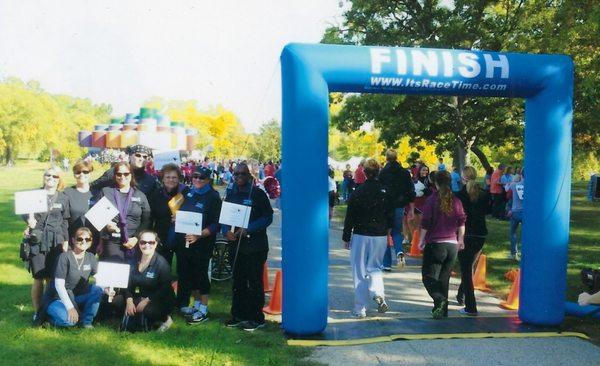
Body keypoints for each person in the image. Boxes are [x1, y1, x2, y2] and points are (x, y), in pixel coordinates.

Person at [222, 162, 274, 331]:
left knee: (254, 282)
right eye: (235, 174)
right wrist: (225, 231)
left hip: (255, 246)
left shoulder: (258, 194)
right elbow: (224, 218)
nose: (238, 177)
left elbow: (268, 217)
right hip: (235, 245)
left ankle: (256, 318)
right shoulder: (231, 194)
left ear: (250, 176)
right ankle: (238, 315)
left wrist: (249, 229)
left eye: (242, 174)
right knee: (238, 281)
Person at [342, 158, 392, 318]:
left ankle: (360, 308)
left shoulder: (358, 192)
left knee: (359, 271)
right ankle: (378, 292)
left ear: (364, 172)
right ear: (378, 172)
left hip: (361, 234)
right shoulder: (385, 192)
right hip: (380, 234)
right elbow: (390, 215)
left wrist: (346, 236)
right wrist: (388, 230)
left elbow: (350, 216)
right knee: (375, 267)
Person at [176, 166, 222, 324]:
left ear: (208, 179)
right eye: (195, 176)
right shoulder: (188, 192)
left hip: (202, 243)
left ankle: (203, 308)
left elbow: (217, 224)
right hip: (186, 241)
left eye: (202, 177)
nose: (197, 179)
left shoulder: (213, 196)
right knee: (189, 275)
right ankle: (195, 304)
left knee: (200, 275)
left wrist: (200, 234)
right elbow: (177, 211)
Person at [24, 166, 69, 324]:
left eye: (55, 176)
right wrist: (28, 221)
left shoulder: (63, 197)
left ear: (59, 179)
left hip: (56, 241)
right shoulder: (34, 195)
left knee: (52, 279)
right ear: (43, 177)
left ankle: (47, 311)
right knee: (38, 278)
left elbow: (65, 222)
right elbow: (26, 214)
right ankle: (37, 312)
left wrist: (65, 241)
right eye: (47, 175)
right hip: (38, 240)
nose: (51, 178)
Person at [419, 170, 466, 319]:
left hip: (436, 243)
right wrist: (461, 239)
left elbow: (425, 222)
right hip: (452, 244)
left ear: (435, 183)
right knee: (444, 279)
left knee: (429, 277)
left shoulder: (432, 200)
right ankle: (441, 310)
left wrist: (421, 239)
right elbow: (461, 221)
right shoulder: (456, 200)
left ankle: (439, 299)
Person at [114, 230, 175, 332]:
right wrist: (129, 301)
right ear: (139, 244)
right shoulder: (133, 261)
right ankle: (137, 317)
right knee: (117, 302)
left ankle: (166, 319)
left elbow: (165, 289)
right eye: (143, 242)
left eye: (151, 242)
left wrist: (147, 300)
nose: (147, 245)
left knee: (149, 310)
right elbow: (128, 283)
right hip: (139, 295)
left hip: (160, 299)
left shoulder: (162, 264)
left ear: (156, 244)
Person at [45, 227, 104, 328]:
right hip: (58, 298)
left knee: (97, 289)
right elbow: (59, 285)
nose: (83, 242)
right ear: (73, 240)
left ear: (91, 241)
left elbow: (100, 278)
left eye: (87, 239)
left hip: (78, 296)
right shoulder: (64, 257)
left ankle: (86, 322)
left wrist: (106, 289)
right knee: (70, 322)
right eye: (80, 239)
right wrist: (70, 308)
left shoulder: (91, 257)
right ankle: (48, 319)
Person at [455, 166, 492, 315]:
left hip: (466, 234)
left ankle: (470, 306)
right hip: (480, 234)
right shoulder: (484, 194)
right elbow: (489, 211)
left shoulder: (460, 196)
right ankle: (461, 294)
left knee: (466, 270)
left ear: (463, 178)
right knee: (468, 266)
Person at [98, 162, 151, 263]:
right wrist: (106, 224)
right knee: (114, 276)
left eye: (126, 174)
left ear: (131, 175)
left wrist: (136, 238)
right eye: (119, 174)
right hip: (112, 241)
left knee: (132, 276)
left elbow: (147, 220)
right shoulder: (106, 192)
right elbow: (98, 216)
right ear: (115, 175)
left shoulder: (140, 195)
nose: (122, 176)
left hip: (134, 242)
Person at [378, 149, 415, 270]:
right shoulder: (404, 173)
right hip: (399, 205)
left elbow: (379, 189)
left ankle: (387, 263)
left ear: (386, 158)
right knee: (396, 231)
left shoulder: (383, 172)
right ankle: (399, 250)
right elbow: (410, 191)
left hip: (385, 206)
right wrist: (411, 208)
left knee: (385, 233)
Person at [149, 163, 188, 267]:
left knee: (184, 268)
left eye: (174, 177)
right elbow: (151, 216)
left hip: (182, 237)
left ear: (179, 178)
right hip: (162, 235)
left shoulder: (186, 193)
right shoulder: (156, 194)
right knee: (163, 267)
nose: (171, 180)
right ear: (162, 179)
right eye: (168, 177)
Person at [91, 144, 159, 198]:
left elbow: (152, 201)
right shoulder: (115, 172)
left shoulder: (150, 180)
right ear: (130, 156)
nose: (141, 159)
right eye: (138, 155)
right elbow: (93, 187)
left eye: (144, 157)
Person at [63, 160, 97, 251]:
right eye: (78, 172)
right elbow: (63, 219)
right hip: (72, 241)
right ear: (74, 175)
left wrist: (101, 242)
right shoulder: (67, 192)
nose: (81, 174)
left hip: (91, 241)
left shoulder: (97, 193)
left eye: (85, 172)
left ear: (90, 173)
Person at [506, 173, 525, 260]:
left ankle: (514, 254)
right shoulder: (533, 185)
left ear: (521, 175)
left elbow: (507, 191)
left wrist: (514, 180)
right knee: (527, 234)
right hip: (526, 213)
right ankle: (526, 253)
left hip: (515, 212)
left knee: (513, 233)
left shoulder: (514, 185)